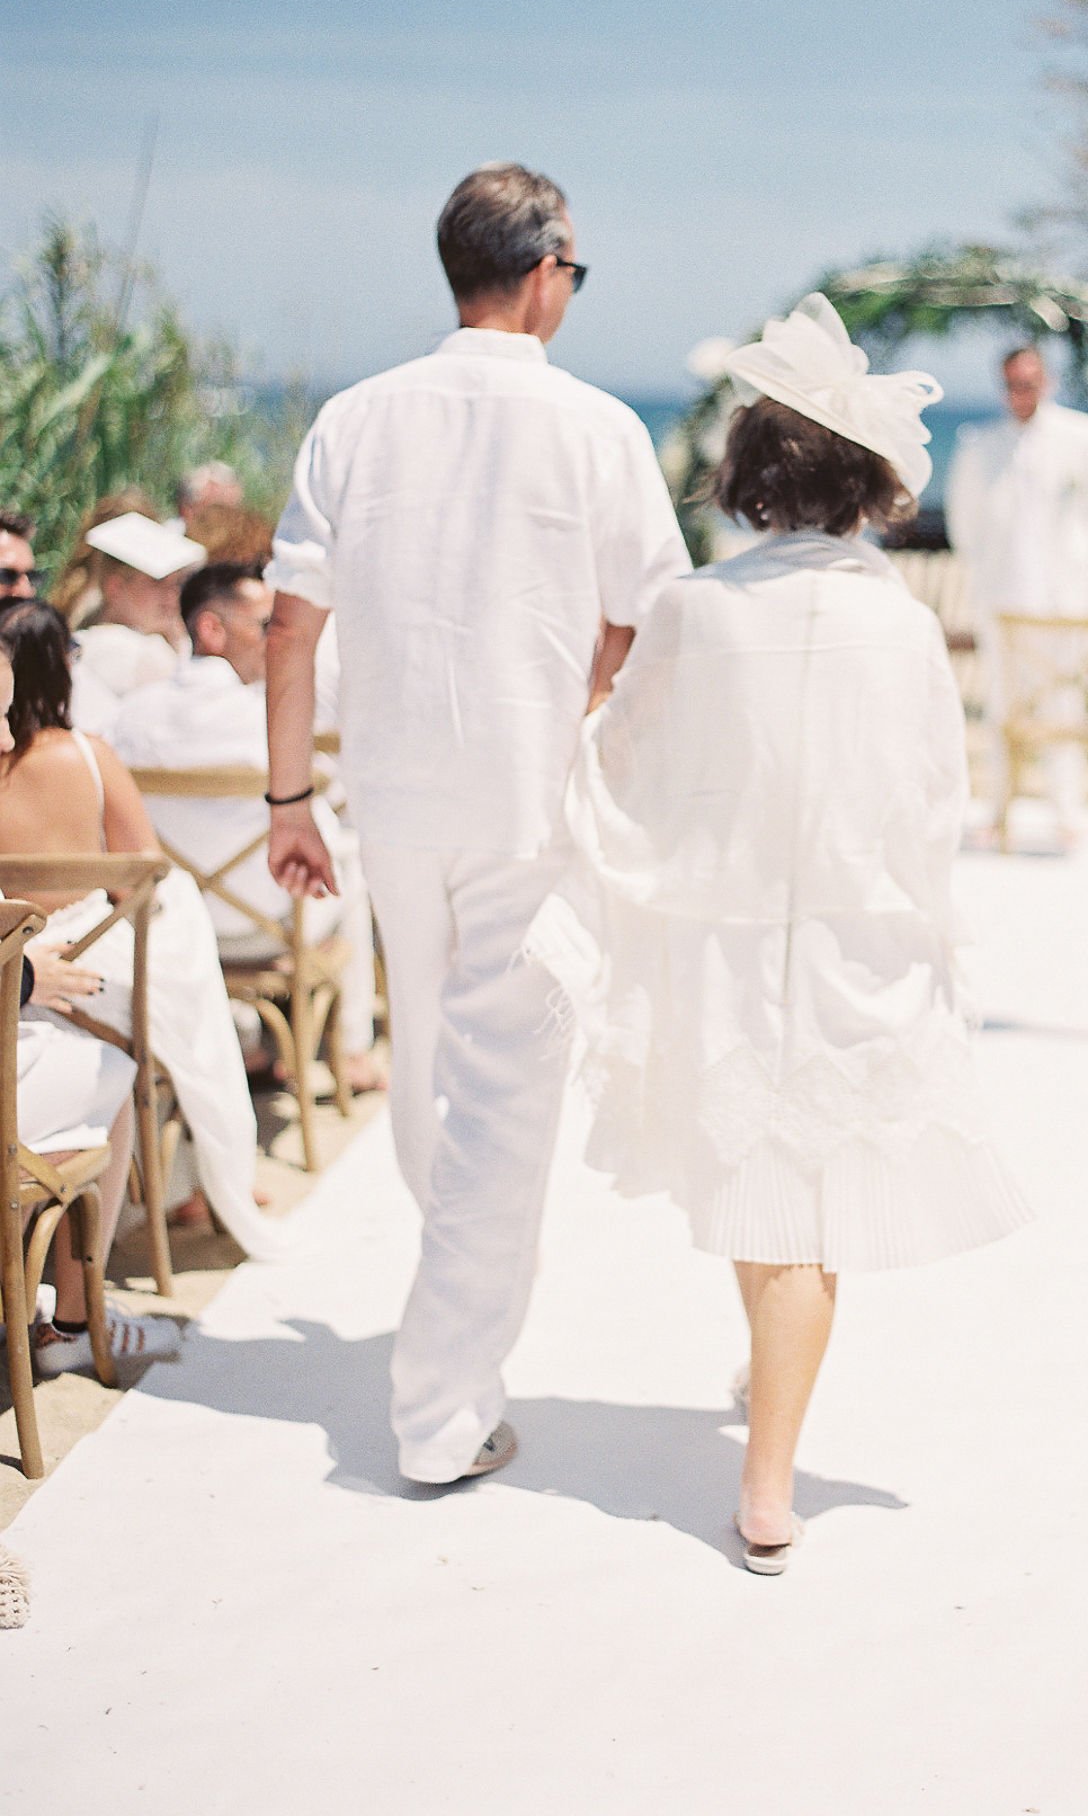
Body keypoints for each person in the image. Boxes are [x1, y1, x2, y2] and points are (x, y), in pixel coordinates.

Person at [531, 294, 1029, 1572]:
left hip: (730, 939)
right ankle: (770, 1424)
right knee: (800, 1195)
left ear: (752, 478)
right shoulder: (901, 622)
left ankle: (766, 1477)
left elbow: (623, 760)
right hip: (855, 937)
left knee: (770, 1194)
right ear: (864, 484)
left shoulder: (697, 611)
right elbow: (933, 798)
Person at [265, 161, 689, 1485]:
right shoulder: (598, 429)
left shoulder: (353, 417)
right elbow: (656, 613)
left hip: (390, 797)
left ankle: (458, 1293)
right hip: (523, 797)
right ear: (547, 268)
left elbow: (290, 622)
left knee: (433, 1058)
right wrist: (594, 682)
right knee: (502, 1101)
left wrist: (288, 796)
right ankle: (441, 1408)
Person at [0, 600, 281, 1257]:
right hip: (85, 961)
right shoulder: (89, 755)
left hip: (25, 961)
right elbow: (142, 875)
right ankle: (196, 1185)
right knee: (172, 1029)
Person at [109, 561, 382, 1093]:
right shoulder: (268, 725)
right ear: (211, 629)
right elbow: (326, 804)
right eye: (265, 627)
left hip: (174, 922)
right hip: (271, 924)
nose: (276, 641)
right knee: (346, 858)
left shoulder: (129, 719)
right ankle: (352, 1051)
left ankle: (252, 1044)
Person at [945, 345, 1088, 840]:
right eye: (1011, 384)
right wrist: (984, 573)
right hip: (1001, 598)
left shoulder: (1083, 437)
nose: (1020, 393)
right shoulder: (980, 443)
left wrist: (1079, 570)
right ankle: (999, 810)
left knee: (1063, 704)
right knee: (1003, 704)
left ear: (1046, 381)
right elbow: (965, 519)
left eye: (1029, 382)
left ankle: (1068, 814)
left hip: (1065, 602)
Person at [67, 511, 205, 723]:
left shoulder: (82, 637)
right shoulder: (139, 651)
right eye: (157, 582)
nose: (171, 595)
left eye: (175, 584)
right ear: (116, 586)